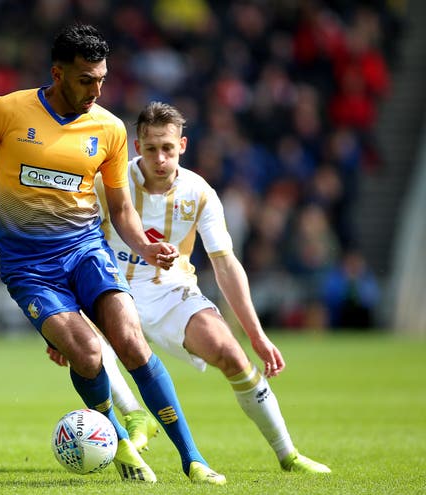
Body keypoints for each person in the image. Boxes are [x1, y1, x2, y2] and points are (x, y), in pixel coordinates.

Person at [0, 23, 225, 484]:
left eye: (102, 79)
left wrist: (146, 247)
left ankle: (193, 459)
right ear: (57, 74)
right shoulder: (7, 111)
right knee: (89, 355)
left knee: (132, 344)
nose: (96, 89)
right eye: (85, 79)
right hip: (29, 268)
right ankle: (118, 441)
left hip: (85, 252)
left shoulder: (110, 129)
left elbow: (120, 209)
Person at [48, 101, 332, 474]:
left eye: (167, 148)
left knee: (231, 354)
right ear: (137, 148)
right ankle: (134, 417)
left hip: (170, 292)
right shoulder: (107, 184)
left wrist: (257, 335)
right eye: (151, 149)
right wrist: (58, 330)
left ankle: (288, 455)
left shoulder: (199, 193)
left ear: (182, 145)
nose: (160, 158)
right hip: (109, 290)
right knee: (90, 352)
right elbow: (68, 246)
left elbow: (226, 264)